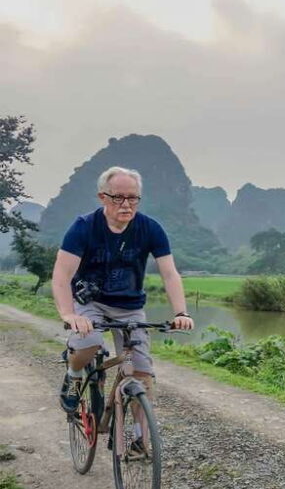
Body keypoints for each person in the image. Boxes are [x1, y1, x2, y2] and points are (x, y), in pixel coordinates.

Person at [51, 166, 194, 413]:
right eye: (118, 197)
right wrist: (69, 314)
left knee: (142, 375)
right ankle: (74, 375)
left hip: (130, 307)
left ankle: (140, 444)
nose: (126, 204)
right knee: (89, 341)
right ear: (103, 197)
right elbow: (62, 276)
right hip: (91, 302)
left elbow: (169, 274)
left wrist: (181, 313)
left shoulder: (150, 228)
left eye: (133, 198)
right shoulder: (84, 227)